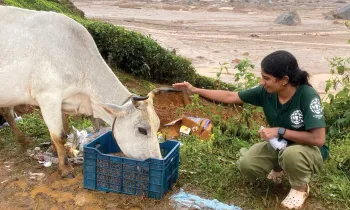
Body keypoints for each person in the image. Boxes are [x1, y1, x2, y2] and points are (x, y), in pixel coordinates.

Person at [172, 50, 328, 209]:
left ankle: (300, 188)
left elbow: (318, 139)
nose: (262, 82)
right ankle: (278, 167)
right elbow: (231, 96)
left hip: (309, 149)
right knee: (247, 164)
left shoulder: (307, 96)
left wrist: (280, 131)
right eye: (262, 76)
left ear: (284, 80)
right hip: (279, 144)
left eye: (266, 78)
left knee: (291, 154)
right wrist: (195, 90)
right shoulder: (266, 92)